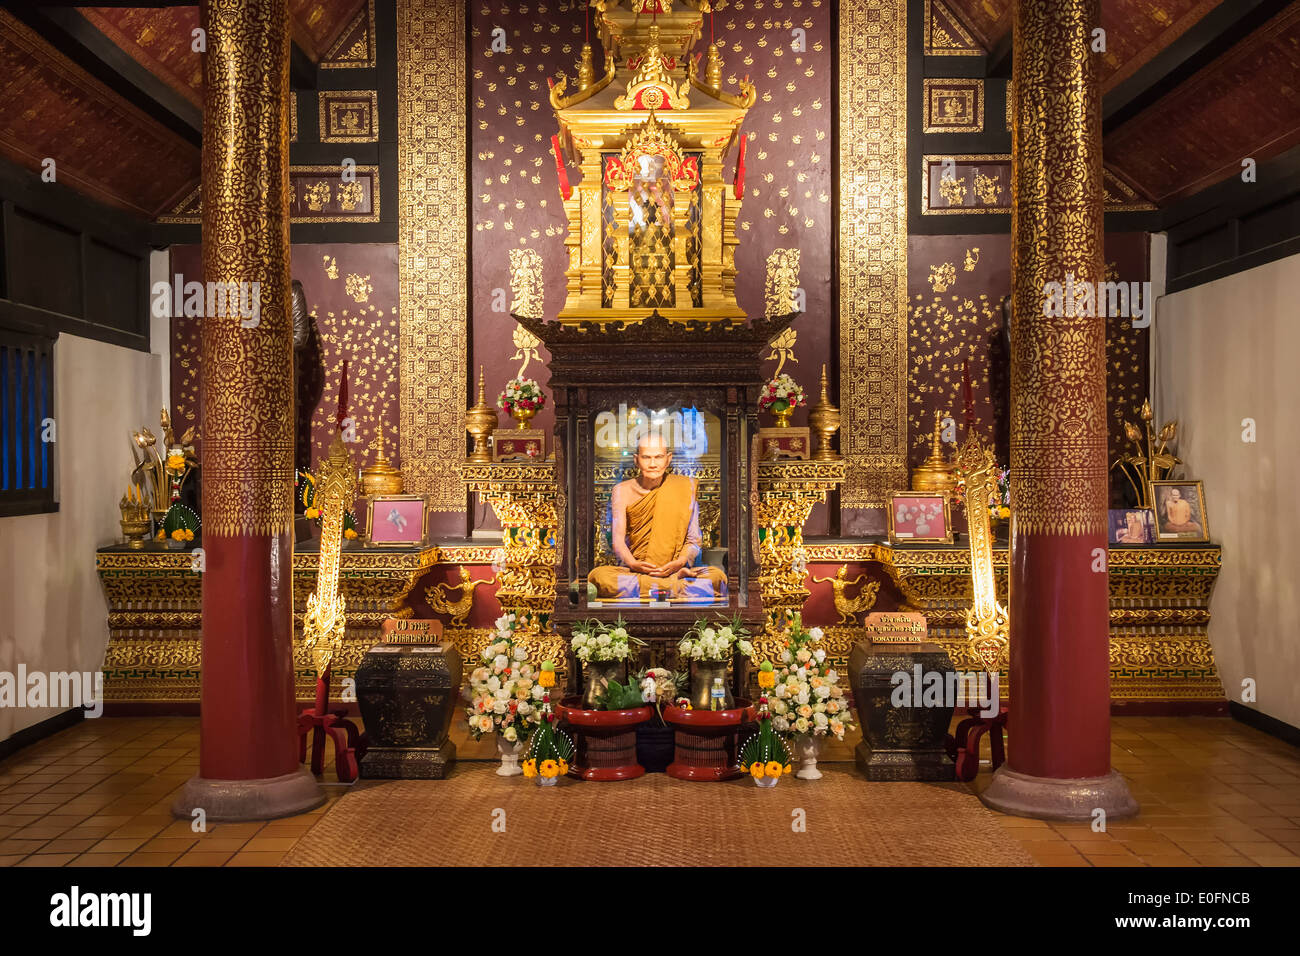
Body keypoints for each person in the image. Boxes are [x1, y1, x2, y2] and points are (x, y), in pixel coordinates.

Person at [588, 432, 727, 601]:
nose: (653, 464)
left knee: (717, 577)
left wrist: (680, 562)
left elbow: (693, 540)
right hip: (637, 571)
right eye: (646, 457)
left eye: (659, 457)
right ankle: (673, 586)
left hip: (675, 569)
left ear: (668, 459)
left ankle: (664, 584)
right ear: (636, 459)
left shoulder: (684, 487)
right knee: (600, 577)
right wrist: (633, 564)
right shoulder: (622, 490)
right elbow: (617, 542)